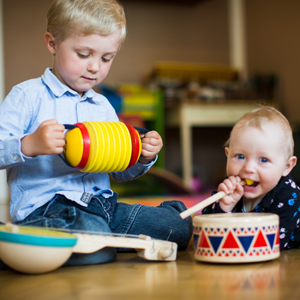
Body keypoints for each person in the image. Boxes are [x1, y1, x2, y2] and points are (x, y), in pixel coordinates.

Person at [0, 0, 192, 267]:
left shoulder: (102, 106)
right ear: (52, 43)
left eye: (106, 58)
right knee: (96, 241)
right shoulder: (27, 96)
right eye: (83, 54)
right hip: (49, 210)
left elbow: (118, 172)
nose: (95, 67)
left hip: (103, 206)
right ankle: (23, 240)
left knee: (177, 229)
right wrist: (28, 145)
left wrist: (142, 156)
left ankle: (97, 240)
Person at [202, 106, 300, 250]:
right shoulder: (231, 187)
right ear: (227, 155)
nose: (248, 168)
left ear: (286, 166)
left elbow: (271, 244)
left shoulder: (288, 196)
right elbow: (207, 230)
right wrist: (224, 207)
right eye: (240, 156)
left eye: (263, 160)